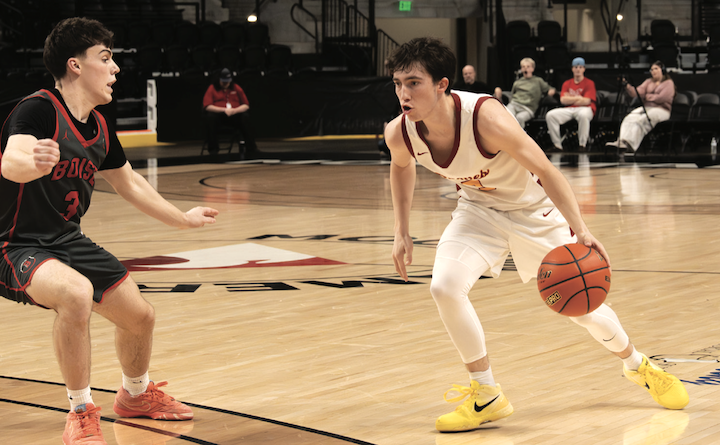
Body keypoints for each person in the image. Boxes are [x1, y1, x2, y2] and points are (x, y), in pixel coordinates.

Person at [384, 37, 688, 434]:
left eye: (413, 83)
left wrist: (581, 230)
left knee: (582, 307)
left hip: (534, 210)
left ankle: (637, 365)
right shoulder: (400, 133)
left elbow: (546, 170)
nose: (403, 94)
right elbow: (401, 167)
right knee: (444, 287)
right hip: (478, 209)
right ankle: (487, 394)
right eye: (397, 84)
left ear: (442, 85)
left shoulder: (485, 119)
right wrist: (401, 231)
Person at [0, 18, 219, 444]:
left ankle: (135, 395)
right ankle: (81, 410)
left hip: (65, 240)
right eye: (105, 58)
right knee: (76, 294)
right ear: (75, 65)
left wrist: (183, 218)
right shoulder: (38, 109)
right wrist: (35, 163)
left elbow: (130, 183)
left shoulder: (99, 125)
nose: (115, 68)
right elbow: (12, 161)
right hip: (14, 244)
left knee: (140, 317)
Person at [606, 61, 675, 155]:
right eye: (652, 69)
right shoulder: (648, 82)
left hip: (662, 109)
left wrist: (647, 97)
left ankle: (630, 146)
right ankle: (622, 141)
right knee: (629, 117)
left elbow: (663, 98)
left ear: (662, 70)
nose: (653, 71)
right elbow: (636, 93)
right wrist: (627, 85)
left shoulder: (668, 83)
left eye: (656, 69)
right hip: (647, 107)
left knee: (642, 119)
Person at [545, 57, 596, 152]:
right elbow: (563, 100)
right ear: (572, 69)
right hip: (569, 109)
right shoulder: (567, 83)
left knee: (583, 115)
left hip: (585, 108)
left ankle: (582, 145)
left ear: (584, 69)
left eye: (580, 67)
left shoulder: (589, 83)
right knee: (550, 115)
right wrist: (579, 98)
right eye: (576, 67)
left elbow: (586, 101)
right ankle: (557, 145)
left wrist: (571, 98)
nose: (578, 69)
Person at [202, 68, 257, 155]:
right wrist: (223, 110)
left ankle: (251, 149)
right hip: (219, 116)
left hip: (234, 115)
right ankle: (213, 150)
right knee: (210, 118)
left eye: (227, 82)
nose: (225, 84)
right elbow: (207, 106)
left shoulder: (236, 87)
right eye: (223, 81)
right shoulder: (212, 88)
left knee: (245, 117)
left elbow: (246, 105)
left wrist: (234, 111)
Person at [493, 58, 556, 128]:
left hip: (528, 108)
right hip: (515, 104)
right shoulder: (517, 83)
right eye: (523, 67)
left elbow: (550, 89)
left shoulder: (538, 81)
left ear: (532, 69)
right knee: (508, 116)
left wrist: (551, 91)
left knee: (520, 118)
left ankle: (517, 135)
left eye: (528, 66)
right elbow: (512, 95)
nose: (525, 68)